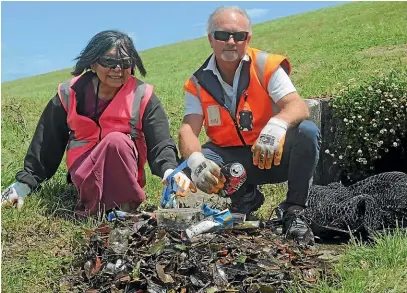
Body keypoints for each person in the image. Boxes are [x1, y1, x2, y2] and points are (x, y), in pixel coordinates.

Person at [1, 30, 193, 216]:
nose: (118, 69)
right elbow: (46, 142)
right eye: (109, 62)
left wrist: (170, 171)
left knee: (117, 141)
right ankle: (101, 208)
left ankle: (124, 208)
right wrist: (24, 184)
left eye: (125, 62)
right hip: (85, 171)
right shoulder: (69, 93)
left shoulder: (143, 95)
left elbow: (160, 141)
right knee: (114, 143)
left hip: (125, 173)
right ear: (93, 63)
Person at [178, 6, 321, 241]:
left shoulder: (266, 65)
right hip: (232, 161)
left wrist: (277, 126)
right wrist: (196, 162)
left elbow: (298, 106)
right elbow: (187, 130)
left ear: (248, 39)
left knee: (307, 131)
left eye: (239, 36)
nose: (231, 42)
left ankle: (294, 210)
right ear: (211, 39)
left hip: (273, 154)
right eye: (223, 35)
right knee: (188, 166)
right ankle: (244, 196)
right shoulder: (197, 82)